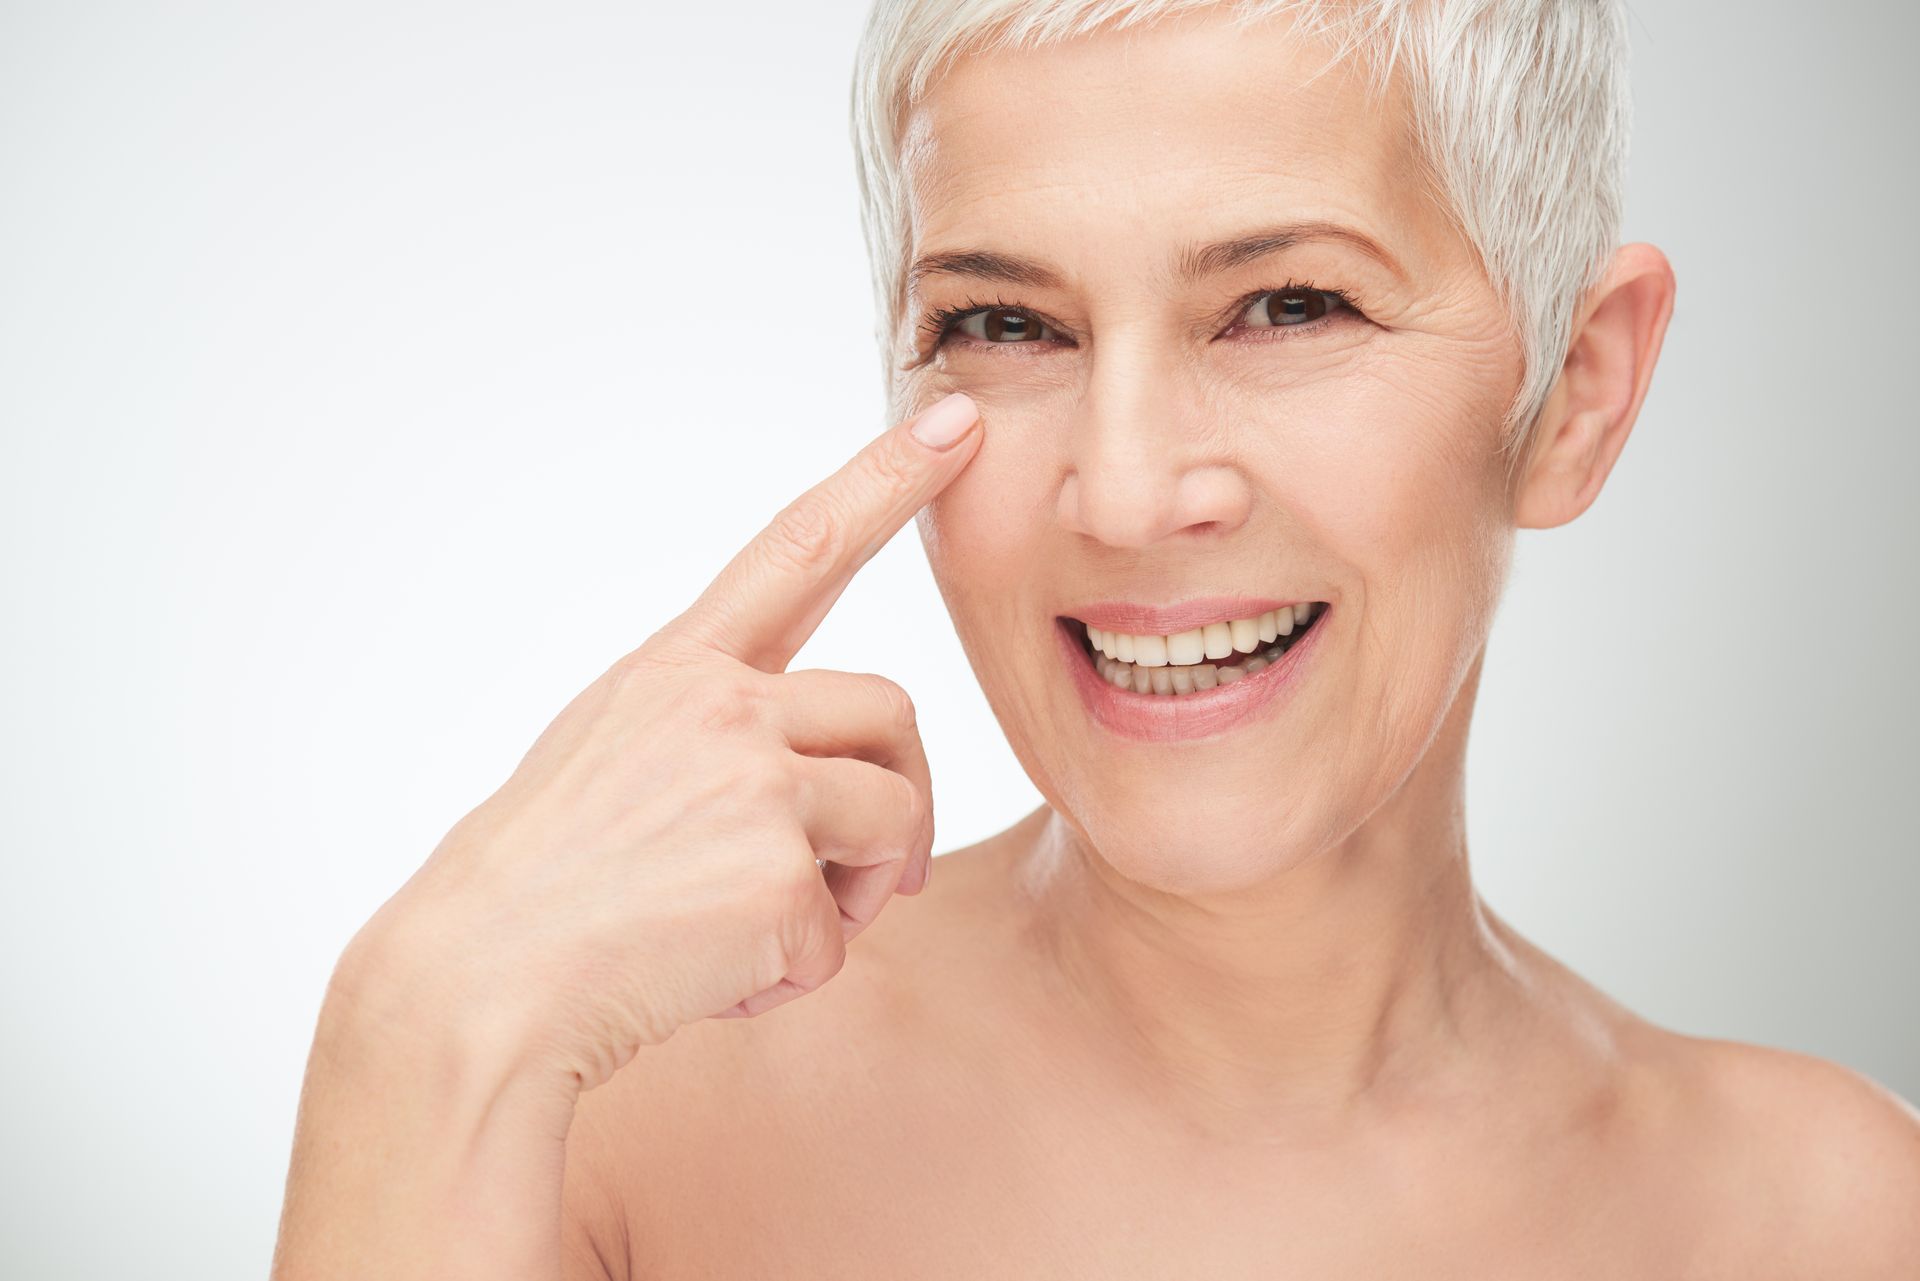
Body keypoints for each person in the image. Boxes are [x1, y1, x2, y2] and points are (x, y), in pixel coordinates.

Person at [270, 2, 1920, 1276]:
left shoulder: (1827, 1216)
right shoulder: (604, 1118)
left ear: (1576, 389)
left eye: (1288, 305)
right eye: (1005, 323)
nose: (1126, 492)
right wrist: (413, 1024)